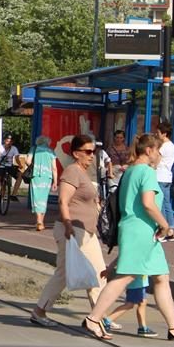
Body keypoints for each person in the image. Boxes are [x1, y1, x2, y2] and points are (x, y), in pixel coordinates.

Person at [82, 133, 174, 341]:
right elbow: (148, 204)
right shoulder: (146, 172)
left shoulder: (131, 171)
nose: (160, 156)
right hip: (141, 230)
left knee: (161, 277)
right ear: (149, 151)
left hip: (141, 231)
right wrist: (166, 225)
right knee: (126, 276)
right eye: (158, 152)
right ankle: (93, 318)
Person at [29, 134, 108, 327]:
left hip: (87, 231)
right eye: (88, 152)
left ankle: (99, 316)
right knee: (64, 273)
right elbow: (64, 201)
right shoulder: (72, 171)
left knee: (98, 273)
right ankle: (39, 311)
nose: (92, 156)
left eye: (94, 152)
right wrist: (68, 224)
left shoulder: (83, 172)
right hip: (72, 230)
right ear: (76, 153)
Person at [28, 135, 57, 231]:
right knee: (43, 199)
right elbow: (54, 168)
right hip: (47, 177)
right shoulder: (50, 151)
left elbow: (28, 162)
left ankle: (39, 221)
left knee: (36, 198)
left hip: (36, 175)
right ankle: (41, 222)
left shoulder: (34, 149)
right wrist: (55, 181)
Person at [155, 120, 174, 230]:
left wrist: (152, 166)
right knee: (167, 203)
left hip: (159, 176)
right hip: (167, 177)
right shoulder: (172, 146)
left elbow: (157, 159)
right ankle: (171, 226)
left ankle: (164, 227)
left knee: (160, 202)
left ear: (164, 134)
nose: (156, 135)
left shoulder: (164, 146)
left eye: (158, 133)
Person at [0, 133, 22, 202]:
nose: (9, 143)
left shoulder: (14, 148)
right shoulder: (0, 148)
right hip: (0, 166)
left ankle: (14, 194)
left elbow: (17, 158)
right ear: (5, 141)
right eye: (7, 141)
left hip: (9, 167)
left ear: (12, 142)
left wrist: (20, 165)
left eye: (10, 141)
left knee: (20, 175)